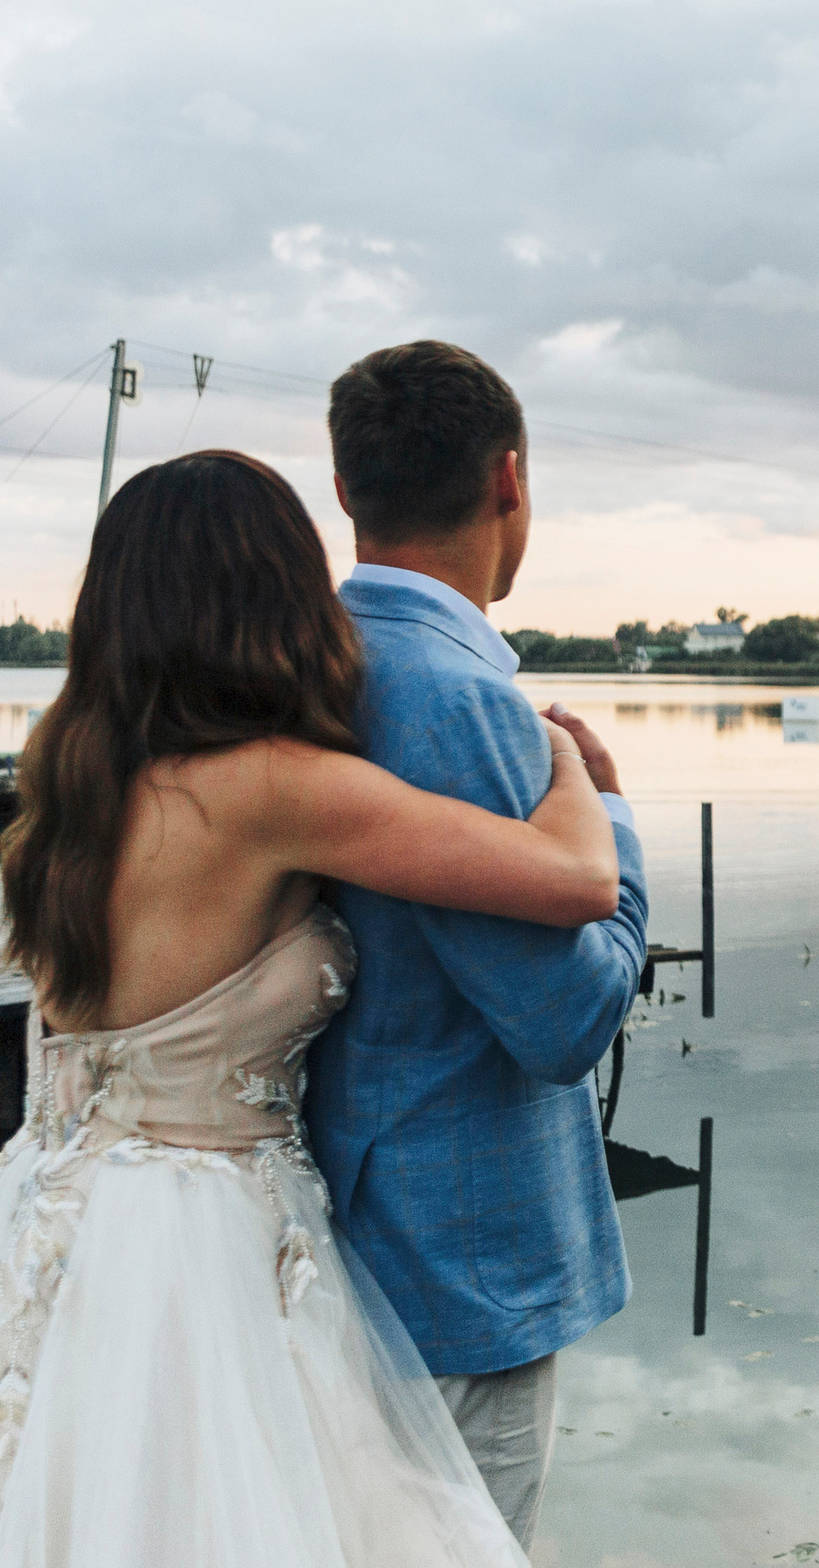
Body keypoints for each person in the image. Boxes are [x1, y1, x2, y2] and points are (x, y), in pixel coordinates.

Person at [0, 450, 631, 1567]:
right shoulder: (272, 789)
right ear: (273, 594)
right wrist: (583, 778)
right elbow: (575, 883)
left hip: (42, 1213)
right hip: (203, 1243)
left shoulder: (73, 773)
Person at [306, 341, 648, 1550]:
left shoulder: (307, 661)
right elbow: (563, 1023)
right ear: (510, 480)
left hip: (342, 1227)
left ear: (346, 490)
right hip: (453, 1261)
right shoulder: (454, 695)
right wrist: (611, 821)